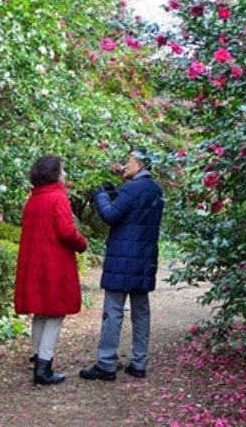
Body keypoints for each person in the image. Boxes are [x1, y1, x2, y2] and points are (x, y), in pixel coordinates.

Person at [80, 148, 164, 381]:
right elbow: (134, 215)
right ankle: (139, 362)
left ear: (140, 165)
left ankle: (106, 363)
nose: (125, 165)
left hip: (122, 257)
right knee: (141, 311)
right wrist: (115, 191)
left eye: (129, 161)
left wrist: (100, 193)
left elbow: (110, 215)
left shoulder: (132, 189)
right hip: (145, 258)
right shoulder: (156, 190)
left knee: (113, 311)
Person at [14, 154, 88, 386]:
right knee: (55, 313)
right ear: (55, 173)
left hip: (35, 262)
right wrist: (82, 243)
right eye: (62, 170)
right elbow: (67, 231)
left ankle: (37, 356)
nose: (64, 174)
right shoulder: (58, 198)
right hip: (54, 263)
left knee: (41, 311)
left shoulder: (32, 200)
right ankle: (43, 368)